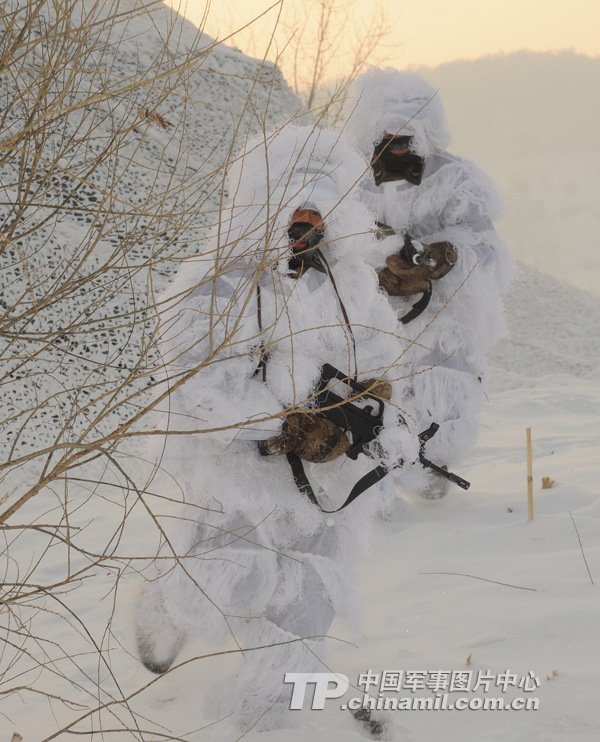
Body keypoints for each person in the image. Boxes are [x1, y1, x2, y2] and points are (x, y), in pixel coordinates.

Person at [134, 124, 421, 732]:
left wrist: (377, 406)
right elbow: (196, 395)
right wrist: (284, 428)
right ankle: (164, 603)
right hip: (237, 474)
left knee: (308, 595)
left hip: (323, 484)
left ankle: (272, 714)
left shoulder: (349, 286)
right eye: (294, 215)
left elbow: (381, 362)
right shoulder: (217, 286)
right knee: (227, 577)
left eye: (318, 215)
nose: (306, 229)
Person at [342, 68, 514, 499]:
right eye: (388, 130)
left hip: (442, 318)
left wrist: (443, 257)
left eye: (407, 131)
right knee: (371, 404)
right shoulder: (347, 178)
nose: (398, 141)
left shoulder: (456, 178)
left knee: (442, 397)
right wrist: (375, 266)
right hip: (371, 318)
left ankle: (435, 490)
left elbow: (485, 244)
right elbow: (331, 238)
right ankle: (375, 500)